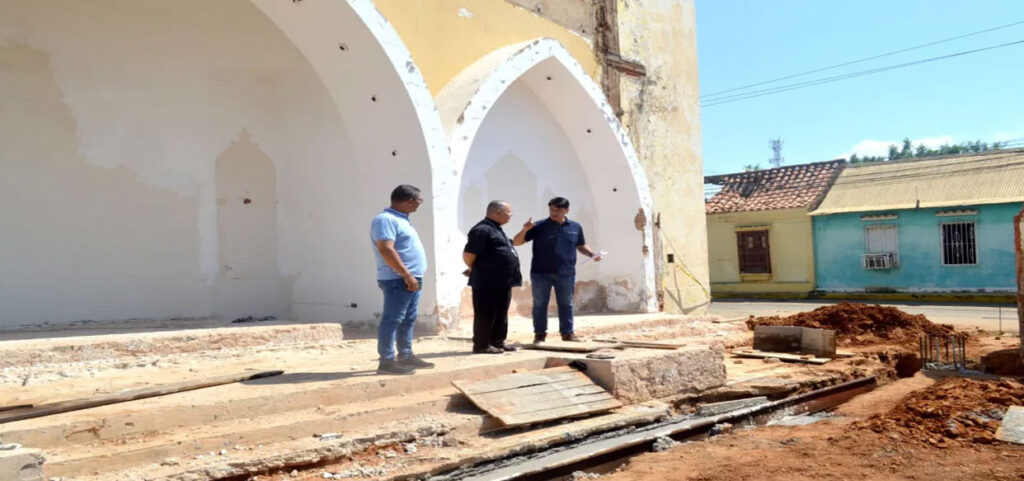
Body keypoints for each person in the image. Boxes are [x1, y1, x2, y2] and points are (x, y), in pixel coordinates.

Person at [513, 197, 602, 343]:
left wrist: (592, 254)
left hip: (566, 273)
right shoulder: (538, 226)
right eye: (551, 209)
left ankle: (568, 334)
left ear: (566, 210)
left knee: (566, 304)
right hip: (540, 272)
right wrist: (524, 230)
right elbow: (517, 242)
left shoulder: (575, 227)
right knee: (540, 304)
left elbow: (581, 245)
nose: (553, 213)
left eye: (557, 210)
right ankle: (540, 335)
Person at [370, 184, 436, 375]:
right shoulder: (385, 219)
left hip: (411, 278)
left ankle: (405, 355)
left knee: (408, 318)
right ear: (409, 201)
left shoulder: (402, 219)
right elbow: (386, 249)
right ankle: (386, 361)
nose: (418, 205)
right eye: (418, 201)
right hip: (398, 278)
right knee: (393, 319)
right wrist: (406, 274)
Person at [463, 201, 523, 354]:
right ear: (497, 212)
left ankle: (498, 342)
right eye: (508, 211)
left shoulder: (497, 229)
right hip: (487, 281)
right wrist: (474, 268)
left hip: (502, 281)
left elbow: (509, 246)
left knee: (501, 313)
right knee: (485, 313)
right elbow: (469, 254)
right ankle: (482, 345)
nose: (511, 215)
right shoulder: (482, 230)